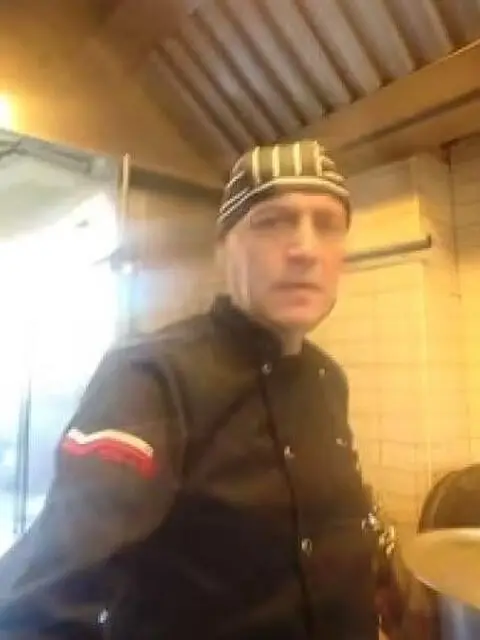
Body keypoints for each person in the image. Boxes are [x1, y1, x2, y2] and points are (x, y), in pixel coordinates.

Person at [0, 140, 390, 639]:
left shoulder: (328, 379)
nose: (305, 249)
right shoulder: (151, 377)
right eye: (272, 222)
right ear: (224, 249)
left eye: (327, 224)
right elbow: (41, 604)